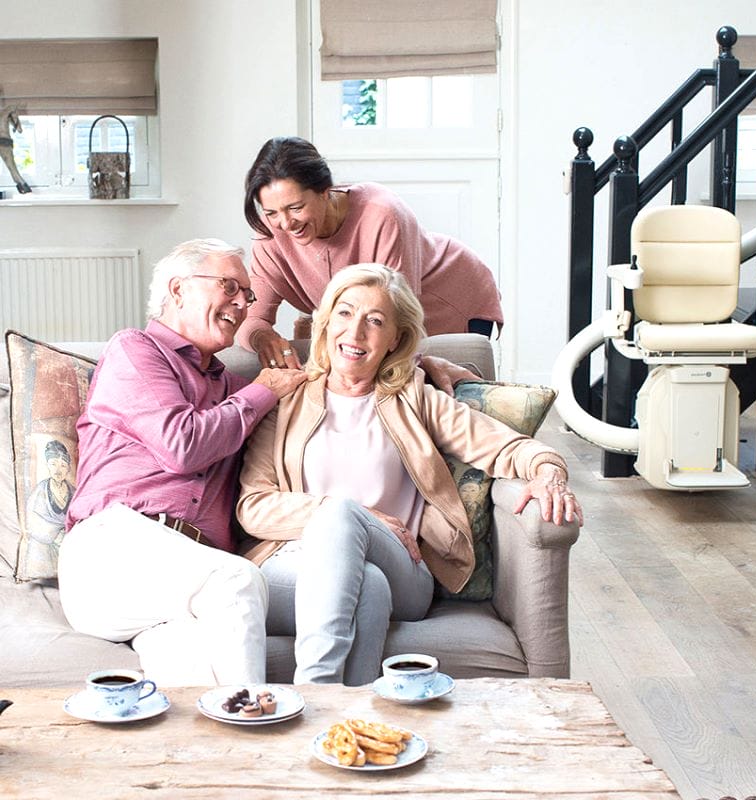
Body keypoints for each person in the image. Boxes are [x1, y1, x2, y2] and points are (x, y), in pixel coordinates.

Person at [235, 263, 582, 687]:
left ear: (396, 339)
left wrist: (549, 471)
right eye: (344, 314)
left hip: (405, 566)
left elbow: (507, 446)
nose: (355, 333)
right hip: (295, 561)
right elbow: (252, 506)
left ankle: (317, 694)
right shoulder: (285, 402)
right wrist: (356, 515)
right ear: (325, 323)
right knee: (369, 585)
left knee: (350, 528)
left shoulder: (415, 398)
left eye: (375, 321)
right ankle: (356, 724)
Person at [57, 238, 308, 686]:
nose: (242, 303)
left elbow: (333, 375)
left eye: (247, 295)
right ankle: (258, 725)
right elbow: (183, 445)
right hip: (110, 550)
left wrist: (423, 364)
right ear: (178, 290)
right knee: (238, 581)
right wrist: (263, 389)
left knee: (195, 681)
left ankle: (230, 753)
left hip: (181, 580)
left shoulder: (233, 388)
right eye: (229, 285)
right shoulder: (134, 352)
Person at [238, 136, 504, 370]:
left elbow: (396, 318)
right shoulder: (270, 237)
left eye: (295, 207)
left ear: (324, 191)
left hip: (452, 294)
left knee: (430, 384)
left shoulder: (382, 214)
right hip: (382, 318)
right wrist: (264, 339)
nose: (285, 224)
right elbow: (252, 318)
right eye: (271, 212)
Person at [24, 439, 75, 576]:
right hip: (44, 545)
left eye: (63, 465)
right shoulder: (40, 490)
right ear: (47, 465)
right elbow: (31, 519)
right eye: (53, 464)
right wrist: (55, 534)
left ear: (68, 468)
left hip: (68, 544)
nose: (58, 471)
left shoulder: (74, 492)